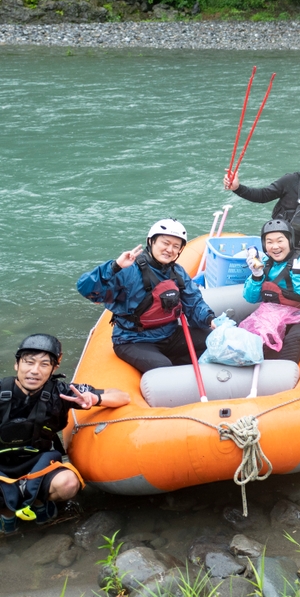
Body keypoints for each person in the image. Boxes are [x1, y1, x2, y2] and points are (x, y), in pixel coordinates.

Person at [1, 334, 129, 534]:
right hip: (2, 467)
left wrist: (94, 398)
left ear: (54, 369)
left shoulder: (61, 392)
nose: (35, 371)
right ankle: (7, 513)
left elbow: (122, 396)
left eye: (44, 364)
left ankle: (40, 501)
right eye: (29, 362)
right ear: (17, 364)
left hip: (37, 463)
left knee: (68, 483)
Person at [77, 219, 217, 374]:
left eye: (176, 246)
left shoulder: (177, 272)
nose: (170, 249)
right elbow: (86, 289)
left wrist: (209, 318)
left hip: (169, 334)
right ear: (151, 241)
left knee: (215, 340)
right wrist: (115, 267)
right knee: (163, 368)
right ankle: (168, 366)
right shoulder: (128, 270)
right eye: (165, 243)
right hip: (133, 340)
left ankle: (179, 364)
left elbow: (194, 303)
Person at [243, 220, 300, 363]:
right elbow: (251, 298)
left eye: (280, 241)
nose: (275, 247)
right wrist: (257, 276)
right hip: (285, 313)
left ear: (290, 240)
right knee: (257, 334)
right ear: (264, 245)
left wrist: (299, 276)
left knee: (295, 337)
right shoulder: (266, 263)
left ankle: (283, 375)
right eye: (269, 242)